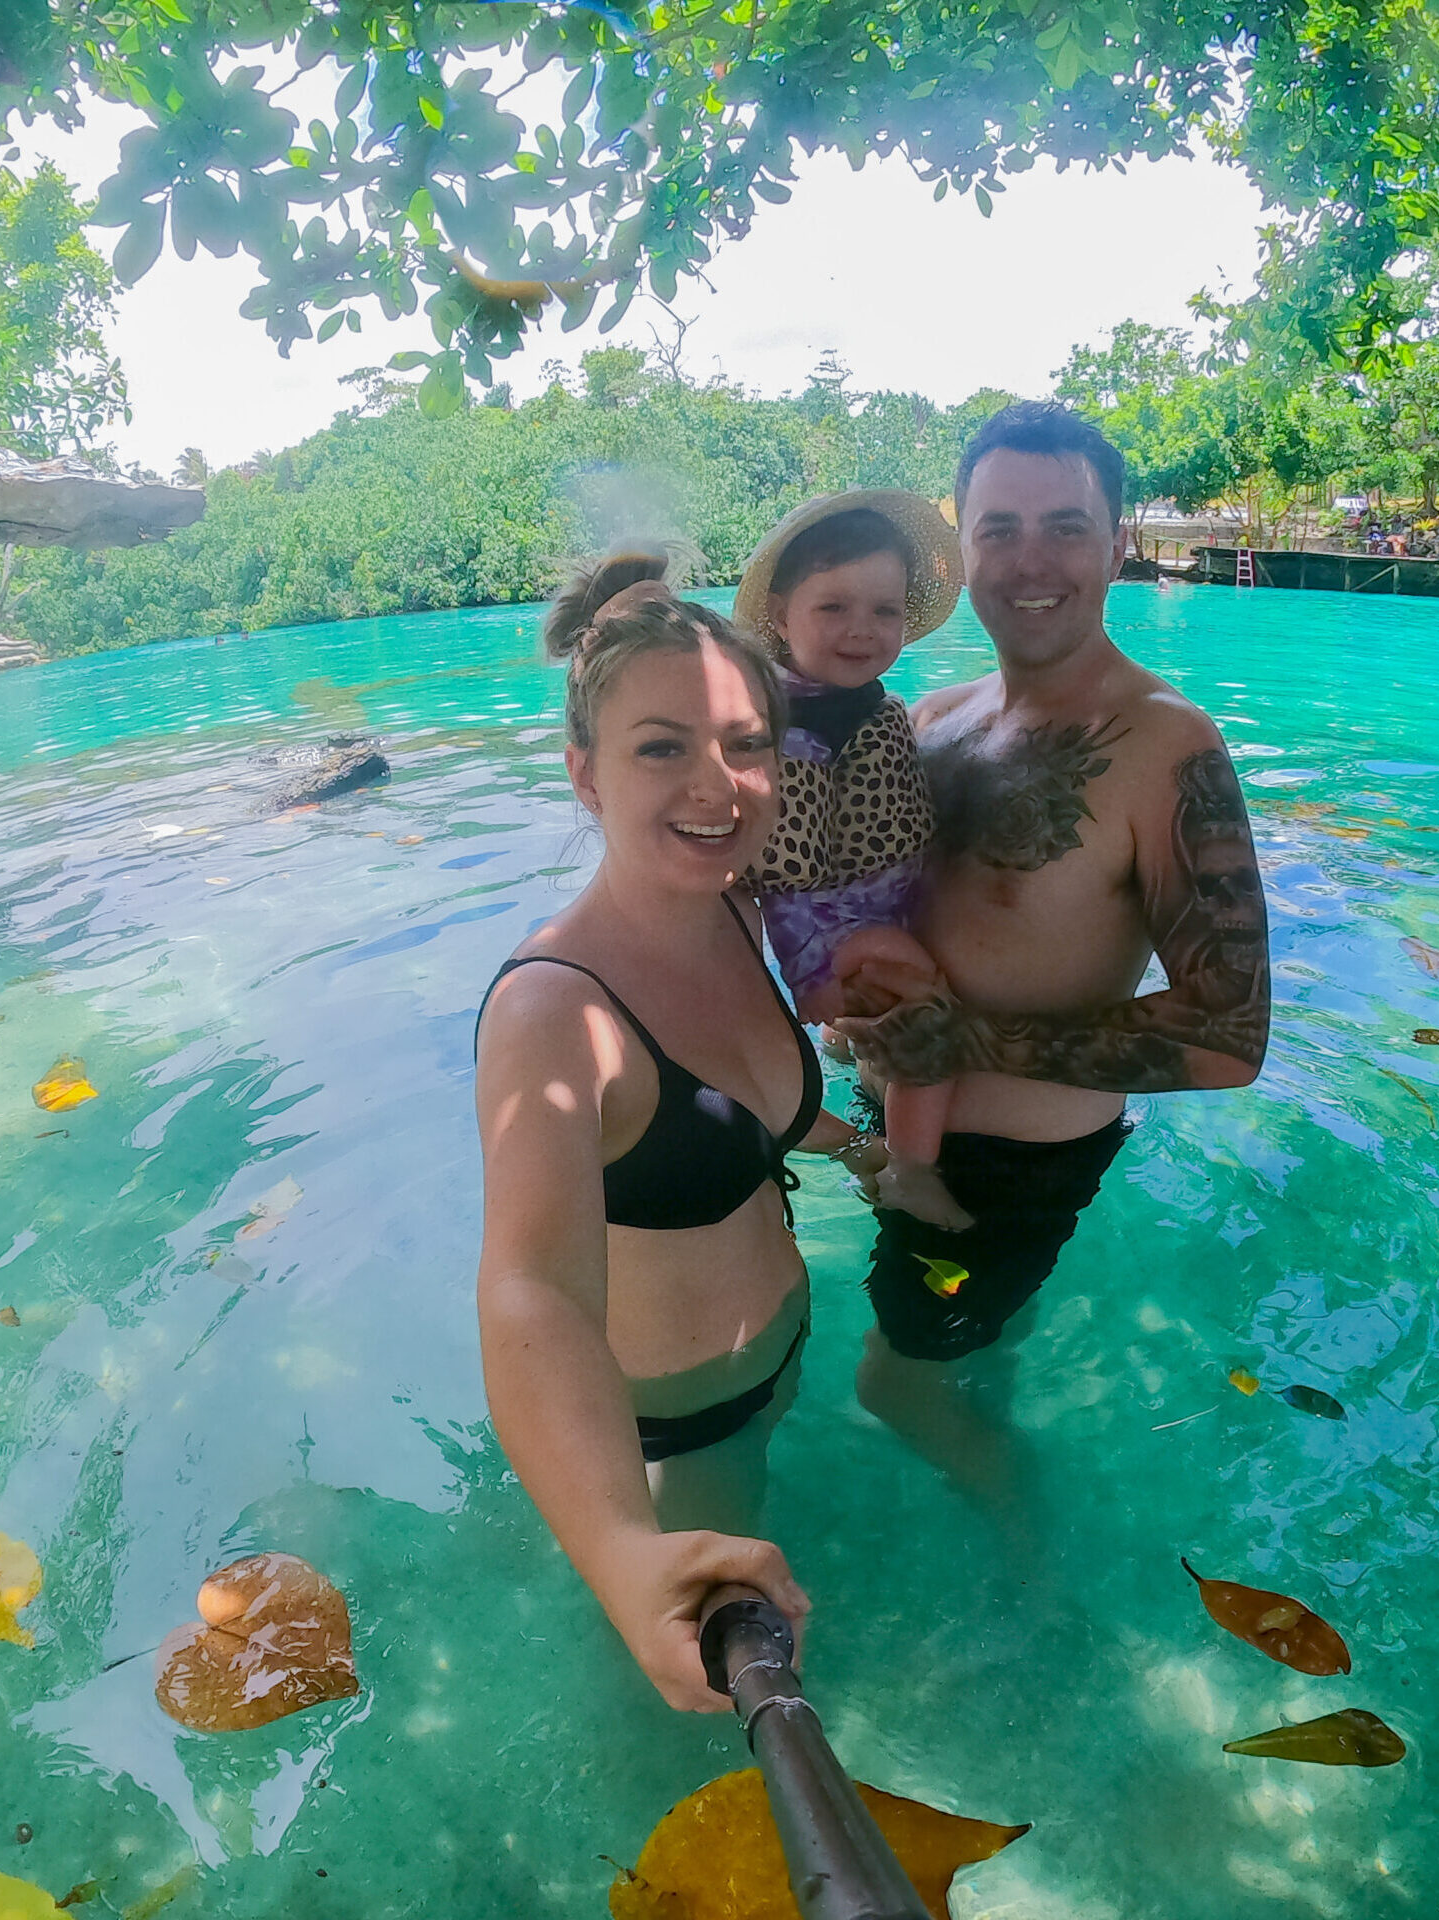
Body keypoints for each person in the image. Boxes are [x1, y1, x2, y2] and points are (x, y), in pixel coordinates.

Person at [839, 401, 1272, 1506]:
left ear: (1118, 543)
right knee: (966, 1356)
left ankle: (1029, 1560)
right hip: (890, 1134)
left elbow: (1230, 1039)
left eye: (1066, 526)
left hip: (1005, 1185)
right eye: (1000, 529)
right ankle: (1003, 1401)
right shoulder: (929, 719)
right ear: (963, 545)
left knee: (897, 1390)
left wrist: (966, 1041)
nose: (1032, 561)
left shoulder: (1165, 745)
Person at [473, 559, 870, 1712]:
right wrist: (616, 1549)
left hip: (779, 1357)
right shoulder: (555, 1013)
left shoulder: (734, 910)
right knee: (679, 1700)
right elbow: (530, 1289)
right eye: (663, 748)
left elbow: (752, 1107)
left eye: (747, 745)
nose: (720, 784)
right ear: (584, 778)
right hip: (674, 1427)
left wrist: (864, 1154)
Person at [733, 491, 974, 1229]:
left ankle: (844, 1045)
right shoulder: (783, 724)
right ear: (780, 614)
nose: (860, 631)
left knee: (890, 1014)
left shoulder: (857, 705)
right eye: (833, 608)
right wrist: (825, 971)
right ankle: (910, 1169)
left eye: (884, 612)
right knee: (936, 1024)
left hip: (854, 921)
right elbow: (785, 864)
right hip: (835, 936)